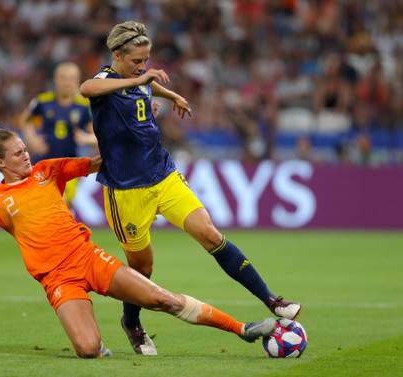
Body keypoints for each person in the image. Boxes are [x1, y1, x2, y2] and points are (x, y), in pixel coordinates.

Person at [0, 79, 276, 358]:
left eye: (25, 148)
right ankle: (99, 347)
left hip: (88, 258)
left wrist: (140, 125)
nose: (27, 154)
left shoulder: (47, 171)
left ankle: (241, 329)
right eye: (19, 153)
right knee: (87, 349)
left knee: (162, 299)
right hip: (57, 280)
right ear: (1, 164)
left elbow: (98, 161)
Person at [79, 21, 302, 355]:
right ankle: (132, 323)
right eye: (136, 61)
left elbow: (143, 88)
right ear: (116, 55)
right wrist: (142, 79)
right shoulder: (105, 80)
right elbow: (87, 89)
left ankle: (271, 300)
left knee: (211, 234)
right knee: (142, 269)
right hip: (125, 190)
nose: (143, 66)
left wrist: (170, 95)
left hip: (163, 174)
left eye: (145, 60)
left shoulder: (137, 79)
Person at [17, 62, 97, 207]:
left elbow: (97, 135)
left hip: (70, 163)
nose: (67, 82)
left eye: (71, 78)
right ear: (55, 80)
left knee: (61, 202)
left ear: (77, 81)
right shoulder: (42, 101)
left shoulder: (84, 106)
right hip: (44, 161)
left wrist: (86, 138)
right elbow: (25, 120)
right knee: (48, 203)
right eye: (63, 78)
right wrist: (32, 139)